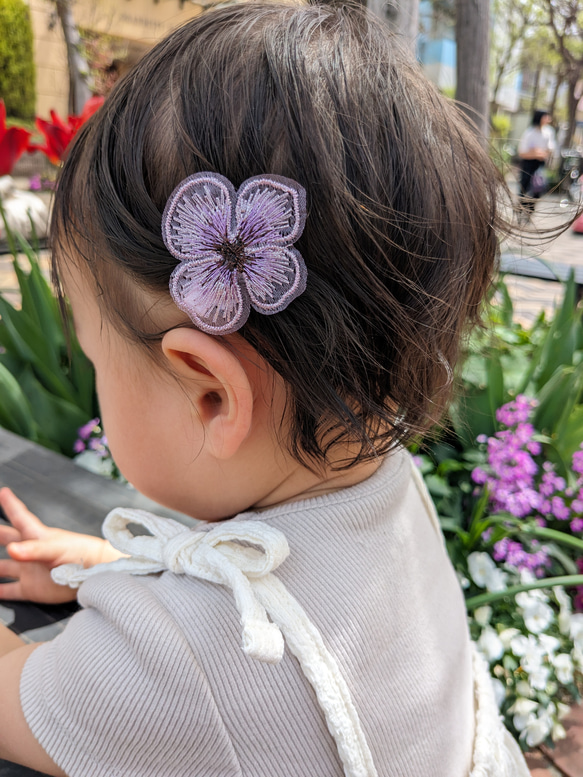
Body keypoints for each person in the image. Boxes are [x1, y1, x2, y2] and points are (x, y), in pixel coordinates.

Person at [0, 4, 529, 776]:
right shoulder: (384, 489)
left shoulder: (171, 671)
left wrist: (145, 627)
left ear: (212, 395)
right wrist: (116, 569)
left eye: (92, 360)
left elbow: (20, 699)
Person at [517, 109, 555, 220]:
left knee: (538, 189)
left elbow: (550, 149)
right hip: (528, 164)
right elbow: (522, 152)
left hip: (540, 165)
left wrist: (538, 152)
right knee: (524, 188)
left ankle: (530, 211)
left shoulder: (549, 132)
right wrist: (535, 153)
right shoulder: (530, 132)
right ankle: (520, 210)